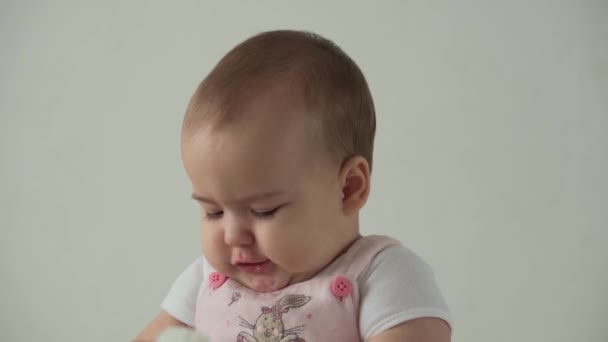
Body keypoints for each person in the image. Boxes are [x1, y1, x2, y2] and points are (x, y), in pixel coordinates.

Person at [135, 30, 452, 342]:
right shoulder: (204, 281)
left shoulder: (384, 275)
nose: (232, 235)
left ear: (349, 188)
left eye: (263, 210)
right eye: (213, 212)